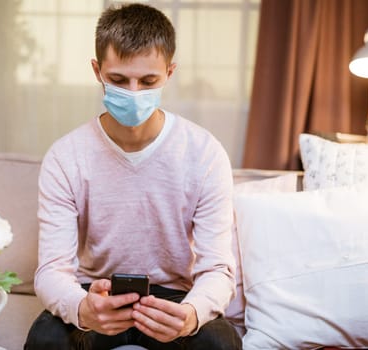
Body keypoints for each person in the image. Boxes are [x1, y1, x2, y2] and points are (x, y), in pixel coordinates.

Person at [24, 3, 241, 349]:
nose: (134, 93)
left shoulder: (205, 153)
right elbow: (52, 271)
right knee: (46, 338)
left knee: (220, 342)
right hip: (98, 294)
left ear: (170, 72)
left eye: (149, 80)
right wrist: (83, 308)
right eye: (119, 80)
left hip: (173, 300)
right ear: (97, 71)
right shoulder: (65, 157)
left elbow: (218, 270)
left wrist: (191, 315)